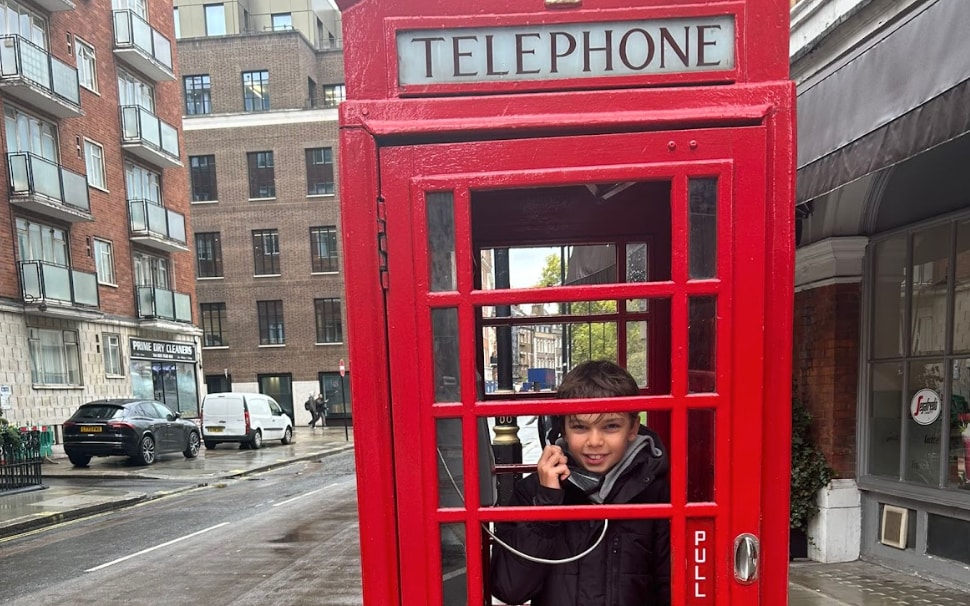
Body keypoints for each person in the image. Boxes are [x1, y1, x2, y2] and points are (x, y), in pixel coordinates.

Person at [490, 360, 671, 606]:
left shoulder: (658, 492)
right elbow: (509, 589)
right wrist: (547, 507)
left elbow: (672, 588)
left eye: (611, 426)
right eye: (580, 427)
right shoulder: (534, 493)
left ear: (633, 428)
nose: (594, 441)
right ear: (561, 429)